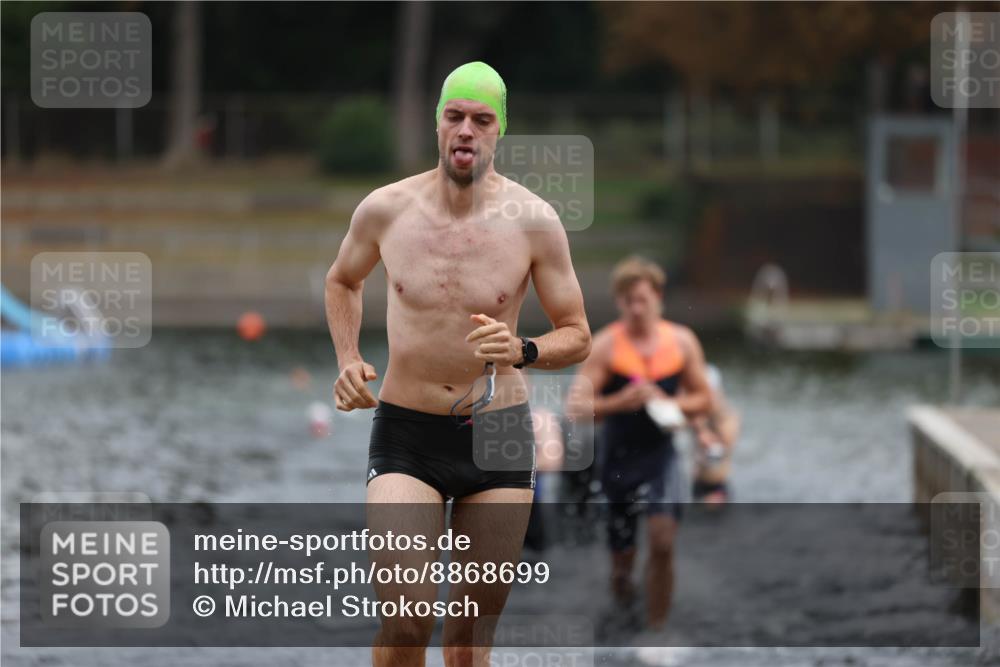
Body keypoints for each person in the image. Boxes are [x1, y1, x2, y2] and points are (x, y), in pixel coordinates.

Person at [324, 61, 591, 667]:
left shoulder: (534, 222)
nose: (466, 129)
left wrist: (523, 350)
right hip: (407, 431)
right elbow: (342, 280)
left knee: (468, 642)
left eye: (482, 120)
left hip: (499, 433)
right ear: (437, 123)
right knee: (407, 621)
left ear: (500, 131)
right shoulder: (385, 209)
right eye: (455, 116)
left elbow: (578, 335)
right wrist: (348, 357)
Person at [567, 255, 710, 630]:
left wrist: (669, 403)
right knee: (622, 561)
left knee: (662, 542)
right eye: (628, 301)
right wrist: (620, 402)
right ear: (619, 301)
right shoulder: (606, 346)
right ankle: (624, 608)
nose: (636, 308)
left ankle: (657, 631)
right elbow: (576, 407)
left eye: (642, 300)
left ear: (658, 297)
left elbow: (704, 399)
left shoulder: (682, 341)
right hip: (618, 459)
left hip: (662, 457)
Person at [690, 364, 740, 504]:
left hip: (718, 487)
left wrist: (703, 428)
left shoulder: (728, 415)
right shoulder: (697, 415)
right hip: (698, 483)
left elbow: (725, 442)